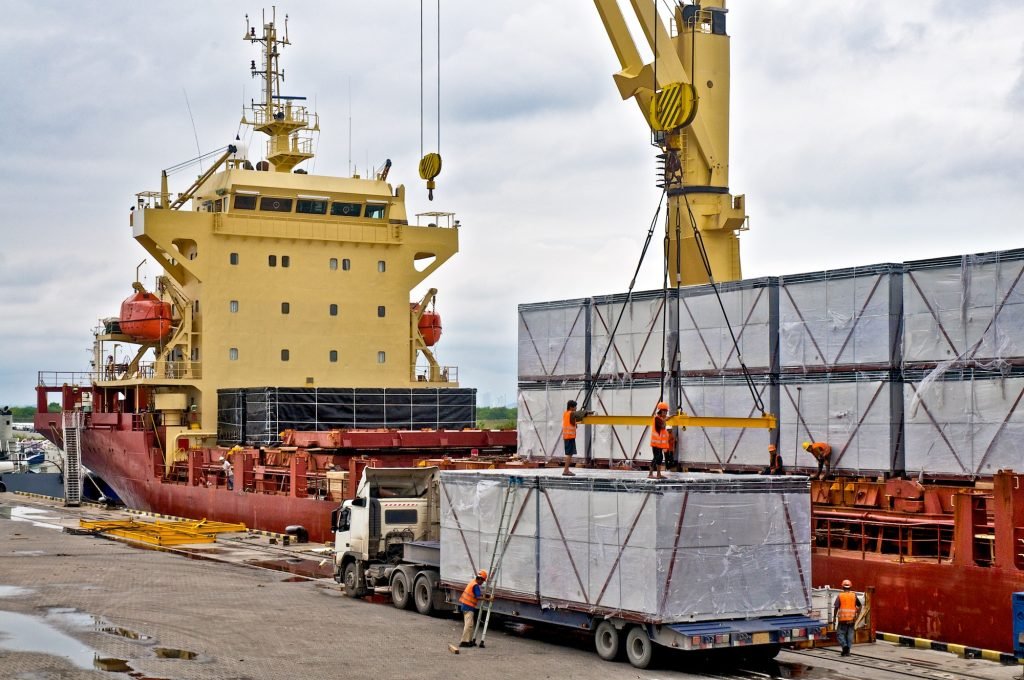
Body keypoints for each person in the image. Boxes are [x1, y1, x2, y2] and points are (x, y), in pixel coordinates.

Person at [458, 569, 488, 648]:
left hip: (466, 606)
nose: (482, 583)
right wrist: (488, 599)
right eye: (483, 581)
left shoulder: (472, 582)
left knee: (470, 625)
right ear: (480, 579)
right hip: (468, 607)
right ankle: (464, 642)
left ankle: (469, 641)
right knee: (468, 625)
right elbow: (477, 596)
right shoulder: (475, 585)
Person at [833, 579, 862, 656]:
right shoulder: (854, 595)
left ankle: (845, 647)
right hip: (852, 620)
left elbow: (836, 607)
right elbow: (860, 606)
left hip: (842, 620)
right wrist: (857, 616)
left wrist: (834, 619)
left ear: (842, 587)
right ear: (850, 587)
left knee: (840, 634)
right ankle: (847, 651)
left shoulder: (840, 595)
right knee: (849, 635)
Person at [561, 399, 591, 476]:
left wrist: (575, 423)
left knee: (569, 454)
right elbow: (579, 414)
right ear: (571, 407)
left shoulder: (566, 413)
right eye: (575, 407)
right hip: (569, 437)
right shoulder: (571, 413)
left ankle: (566, 470)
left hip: (567, 436)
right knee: (569, 454)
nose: (576, 408)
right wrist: (587, 412)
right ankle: (565, 470)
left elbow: (572, 420)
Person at [649, 402, 671, 479]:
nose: (665, 413)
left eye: (666, 411)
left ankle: (658, 474)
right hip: (656, 443)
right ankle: (650, 474)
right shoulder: (657, 418)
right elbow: (663, 426)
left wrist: (665, 419)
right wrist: (665, 419)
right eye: (664, 411)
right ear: (660, 411)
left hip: (659, 444)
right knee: (656, 457)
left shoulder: (660, 418)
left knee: (660, 458)